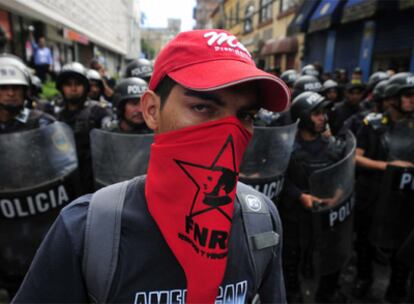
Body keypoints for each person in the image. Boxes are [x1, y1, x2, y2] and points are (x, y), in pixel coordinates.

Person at [13, 29, 291, 303]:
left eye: (245, 114)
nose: (229, 132)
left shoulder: (261, 222)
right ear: (151, 111)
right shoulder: (87, 230)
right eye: (203, 107)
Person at [279, 91, 348, 303]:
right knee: (292, 254)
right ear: (303, 116)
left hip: (326, 213)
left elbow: (342, 175)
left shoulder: (333, 146)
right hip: (295, 215)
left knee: (322, 252)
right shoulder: (286, 147)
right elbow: (281, 178)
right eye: (316, 114)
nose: (323, 118)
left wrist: (337, 194)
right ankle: (292, 291)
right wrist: (300, 196)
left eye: (324, 113)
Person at [353, 72, 414, 303]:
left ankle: (397, 287)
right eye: (407, 95)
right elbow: (355, 158)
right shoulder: (373, 124)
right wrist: (388, 166)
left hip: (404, 197)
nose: (412, 100)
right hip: (374, 196)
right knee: (365, 244)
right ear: (391, 99)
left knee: (404, 245)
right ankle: (363, 279)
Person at [55, 62, 112, 194]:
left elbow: (111, 134)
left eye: (78, 84)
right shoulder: (56, 116)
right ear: (61, 88)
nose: (73, 88)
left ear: (85, 87)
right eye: (68, 84)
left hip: (93, 180)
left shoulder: (99, 111)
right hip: (65, 182)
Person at [0, 54, 54, 133]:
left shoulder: (43, 123)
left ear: (25, 91)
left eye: (16, 87)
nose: (11, 93)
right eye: (3, 88)